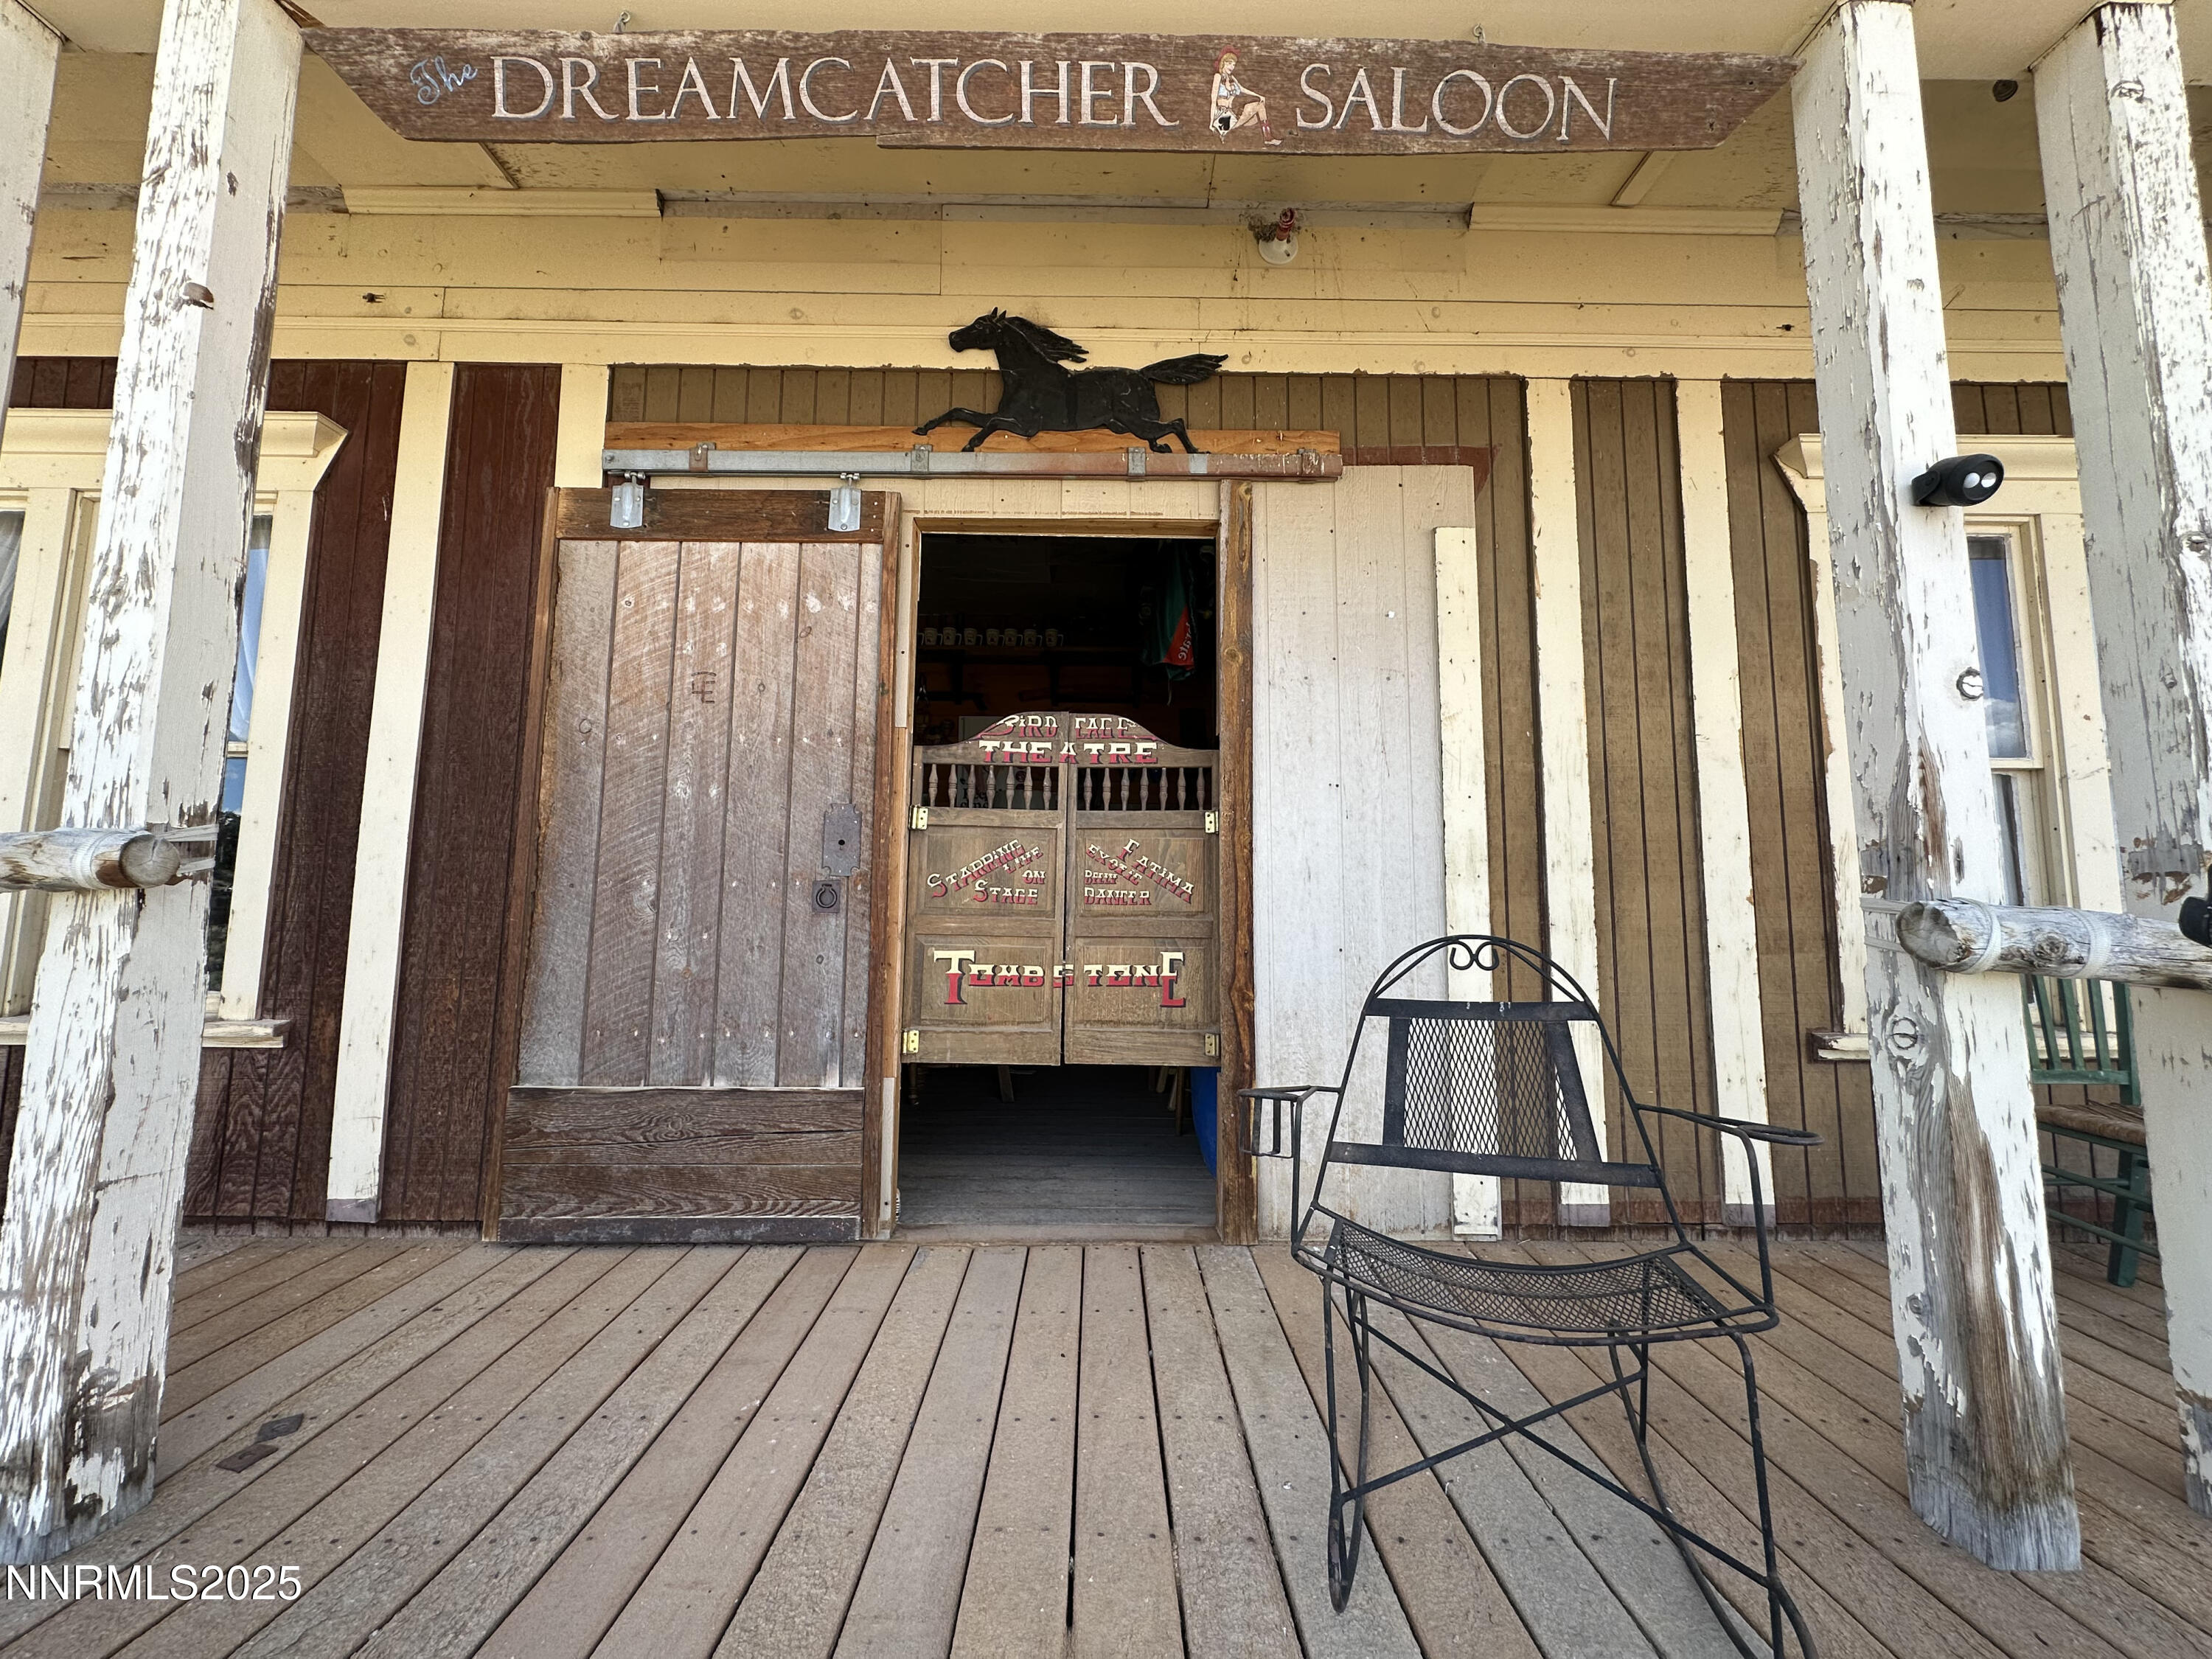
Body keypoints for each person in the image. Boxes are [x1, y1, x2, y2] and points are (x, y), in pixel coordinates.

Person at [1209, 49, 1279, 145]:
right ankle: (1224, 134)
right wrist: (1211, 123)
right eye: (1229, 63)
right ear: (1223, 63)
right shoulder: (1218, 76)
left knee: (1260, 107)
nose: (1232, 67)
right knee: (1257, 108)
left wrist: (1258, 96)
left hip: (1233, 114)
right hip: (1223, 117)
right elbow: (1213, 101)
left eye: (1233, 65)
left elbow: (1242, 89)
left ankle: (1268, 138)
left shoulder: (1232, 78)